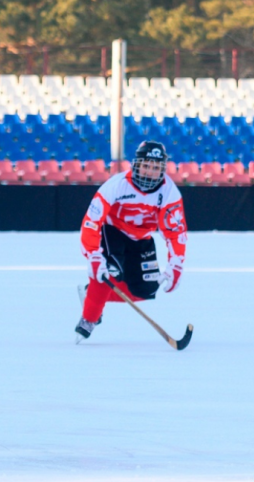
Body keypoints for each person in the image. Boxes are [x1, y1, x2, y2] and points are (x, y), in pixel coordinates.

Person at [75, 141, 187, 342]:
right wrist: (93, 255)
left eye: (155, 168)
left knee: (147, 289)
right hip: (112, 232)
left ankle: (91, 294)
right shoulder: (116, 185)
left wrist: (176, 264)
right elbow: (91, 222)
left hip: (141, 239)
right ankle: (89, 319)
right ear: (137, 165)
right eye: (146, 166)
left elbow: (175, 233)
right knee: (108, 272)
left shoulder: (169, 192)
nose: (149, 172)